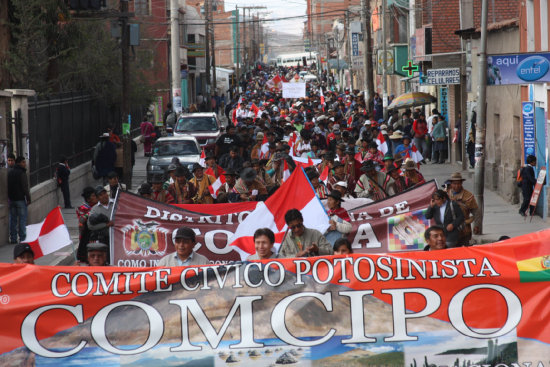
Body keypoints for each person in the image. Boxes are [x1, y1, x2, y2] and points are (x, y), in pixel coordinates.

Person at [447, 172, 481, 245]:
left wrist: (476, 226)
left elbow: (476, 212)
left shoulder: (468, 196)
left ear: (461, 183)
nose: (456, 186)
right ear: (451, 184)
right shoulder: (446, 194)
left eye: (458, 183)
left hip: (464, 228)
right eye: (454, 184)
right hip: (449, 228)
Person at [8, 156, 31, 244]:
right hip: (20, 199)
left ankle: (13, 238)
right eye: (24, 162)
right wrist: (28, 198)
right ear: (20, 163)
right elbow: (25, 187)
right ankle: (22, 238)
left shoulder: (10, 172)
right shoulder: (22, 173)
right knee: (22, 219)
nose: (25, 164)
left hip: (12, 199)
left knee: (12, 219)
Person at [76, 186, 98, 262]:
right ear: (88, 199)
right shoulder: (82, 208)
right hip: (86, 234)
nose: (96, 197)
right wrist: (91, 212)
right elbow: (82, 219)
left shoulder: (99, 206)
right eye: (94, 196)